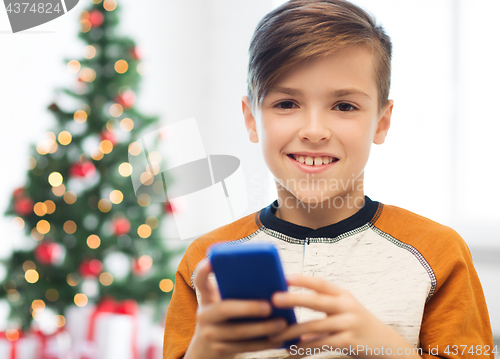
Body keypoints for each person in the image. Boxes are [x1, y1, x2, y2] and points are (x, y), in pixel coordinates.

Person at [162, 1, 495, 358]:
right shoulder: (206, 263)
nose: (314, 131)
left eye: (345, 106)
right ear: (250, 118)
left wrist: (387, 349)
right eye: (287, 103)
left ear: (381, 122)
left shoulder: (438, 254)